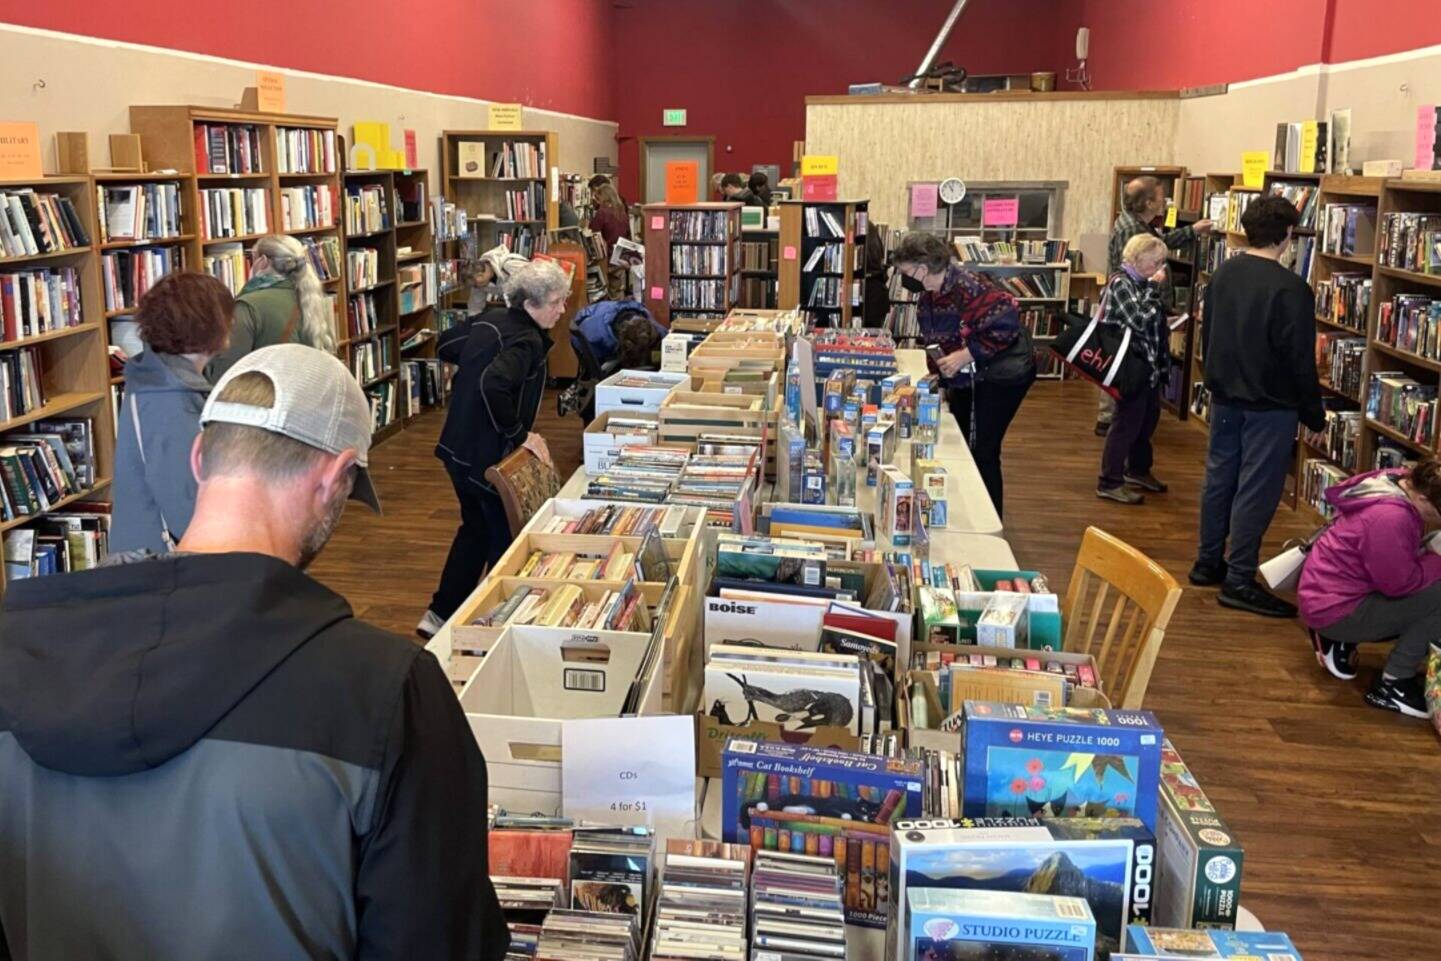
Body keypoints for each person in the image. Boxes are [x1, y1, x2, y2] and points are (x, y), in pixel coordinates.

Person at [0, 344, 508, 960]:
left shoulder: (18, 647)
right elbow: (439, 942)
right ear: (334, 476)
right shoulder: (387, 690)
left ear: (198, 458)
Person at [1190, 194, 1325, 617]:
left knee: (1220, 480)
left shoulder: (1223, 275)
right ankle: (1240, 578)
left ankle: (1208, 561)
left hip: (1225, 396)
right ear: (1287, 236)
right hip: (1271, 404)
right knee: (1257, 489)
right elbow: (1299, 359)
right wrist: (1313, 412)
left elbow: (1208, 335)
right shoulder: (1292, 290)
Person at [419, 260, 568, 638]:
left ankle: (440, 614)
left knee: (475, 529)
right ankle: (499, 625)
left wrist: (480, 353)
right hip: (489, 457)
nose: (562, 309)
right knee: (505, 538)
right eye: (556, 302)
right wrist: (521, 435)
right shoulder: (527, 340)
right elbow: (494, 385)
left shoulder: (493, 319)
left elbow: (447, 345)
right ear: (530, 304)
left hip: (456, 448)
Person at [893, 232, 1035, 518]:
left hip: (999, 379)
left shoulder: (969, 286)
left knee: (983, 449)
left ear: (923, 268)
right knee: (966, 443)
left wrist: (965, 355)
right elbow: (937, 341)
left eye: (906, 271)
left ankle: (991, 519)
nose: (904, 277)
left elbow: (1005, 327)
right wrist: (940, 375)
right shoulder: (930, 296)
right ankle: (969, 509)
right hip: (970, 376)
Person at [1299, 462, 1441, 717]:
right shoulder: (1391, 518)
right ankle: (1394, 682)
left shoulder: (1397, 480)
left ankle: (1338, 638)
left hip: (1326, 593)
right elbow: (1400, 585)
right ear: (1422, 497)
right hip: (1336, 608)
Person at [111, 271, 233, 554]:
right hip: (163, 565)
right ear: (209, 324)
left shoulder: (156, 379)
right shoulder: (169, 399)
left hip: (151, 555)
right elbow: (185, 502)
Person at [1095, 177, 1215, 436]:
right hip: (1137, 306)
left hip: (1140, 303)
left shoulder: (1137, 224)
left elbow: (1161, 244)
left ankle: (1117, 422)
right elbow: (1154, 251)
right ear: (1148, 202)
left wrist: (1192, 231)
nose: (1165, 202)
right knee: (1127, 364)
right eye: (1161, 198)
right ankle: (1113, 423)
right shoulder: (1133, 230)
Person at [1096, 234, 1170, 505]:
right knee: (1126, 424)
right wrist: (1152, 289)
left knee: (1147, 420)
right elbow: (1138, 320)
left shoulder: (1138, 282)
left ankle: (1138, 470)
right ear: (1137, 258)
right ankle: (1109, 481)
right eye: (1156, 261)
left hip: (1147, 366)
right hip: (1131, 367)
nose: (1160, 268)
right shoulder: (1123, 284)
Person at [207, 234, 335, 380]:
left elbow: (225, 373)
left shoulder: (248, 305)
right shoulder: (312, 298)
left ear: (262, 261)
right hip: (304, 394)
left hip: (269, 398)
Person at [590, 182, 633, 300]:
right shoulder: (622, 211)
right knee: (618, 289)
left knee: (604, 292)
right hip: (620, 255)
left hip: (607, 257)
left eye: (597, 197)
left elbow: (593, 233)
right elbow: (628, 234)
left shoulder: (602, 213)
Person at [467, 244, 530, 314]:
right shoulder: (478, 281)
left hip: (534, 302)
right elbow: (475, 307)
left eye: (476, 283)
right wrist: (473, 322)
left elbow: (537, 283)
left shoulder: (510, 265)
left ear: (480, 275)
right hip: (517, 307)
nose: (476, 286)